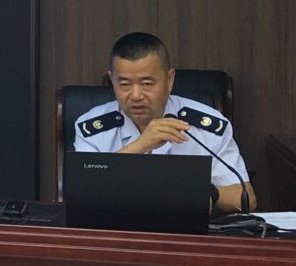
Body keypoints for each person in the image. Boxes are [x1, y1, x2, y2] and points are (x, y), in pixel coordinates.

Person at [73, 32, 256, 214]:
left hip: (185, 230)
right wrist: (139, 146)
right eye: (125, 84)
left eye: (147, 83)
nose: (136, 95)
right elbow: (82, 195)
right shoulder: (92, 128)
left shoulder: (206, 126)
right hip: (115, 229)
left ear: (169, 79)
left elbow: (246, 199)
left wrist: (206, 193)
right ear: (112, 80)